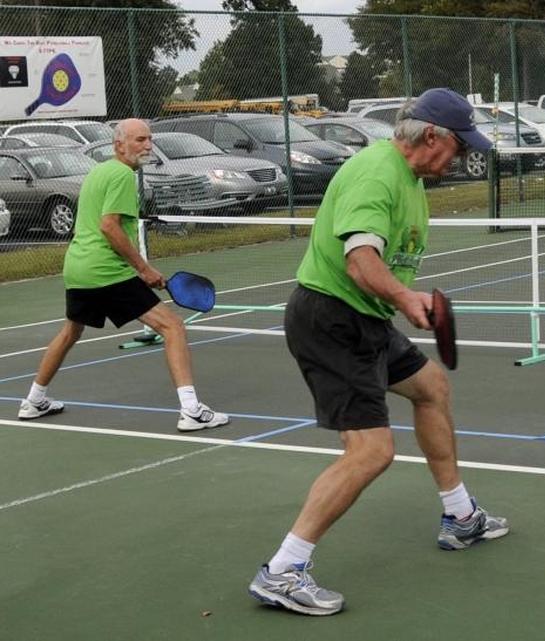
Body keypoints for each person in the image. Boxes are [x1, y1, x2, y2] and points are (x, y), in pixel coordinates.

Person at [248, 88, 509, 617]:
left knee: (431, 386)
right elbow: (360, 261)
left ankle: (460, 518)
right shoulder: (377, 172)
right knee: (371, 452)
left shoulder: (410, 178)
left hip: (364, 318)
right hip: (330, 319)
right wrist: (405, 297)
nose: (460, 158)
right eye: (459, 148)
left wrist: (400, 300)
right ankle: (283, 570)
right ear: (431, 136)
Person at [16, 119, 229, 433]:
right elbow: (109, 226)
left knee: (70, 333)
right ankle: (192, 411)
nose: (147, 145)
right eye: (140, 139)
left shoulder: (99, 171)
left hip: (78, 268)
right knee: (172, 326)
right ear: (119, 144)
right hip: (104, 270)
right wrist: (143, 269)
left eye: (149, 139)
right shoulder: (120, 175)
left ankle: (33, 401)